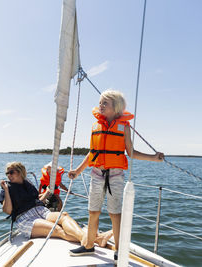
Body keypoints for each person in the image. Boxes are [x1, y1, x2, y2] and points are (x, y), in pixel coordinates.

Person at [68, 90, 164, 260]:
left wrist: (154, 158)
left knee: (114, 213)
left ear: (116, 107)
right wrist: (77, 171)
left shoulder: (124, 127)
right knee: (93, 211)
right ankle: (89, 245)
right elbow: (93, 153)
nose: (101, 105)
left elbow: (131, 152)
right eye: (100, 102)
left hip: (115, 176)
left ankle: (119, 250)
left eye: (105, 103)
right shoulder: (96, 125)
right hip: (97, 173)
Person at [0, 161, 112, 247]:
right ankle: (94, 240)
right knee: (57, 229)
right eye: (7, 173)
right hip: (26, 219)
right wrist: (7, 191)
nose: (8, 175)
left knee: (64, 216)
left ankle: (90, 240)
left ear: (20, 172)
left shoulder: (27, 183)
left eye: (11, 172)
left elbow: (36, 200)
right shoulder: (7, 188)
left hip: (40, 210)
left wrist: (47, 193)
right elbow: (8, 210)